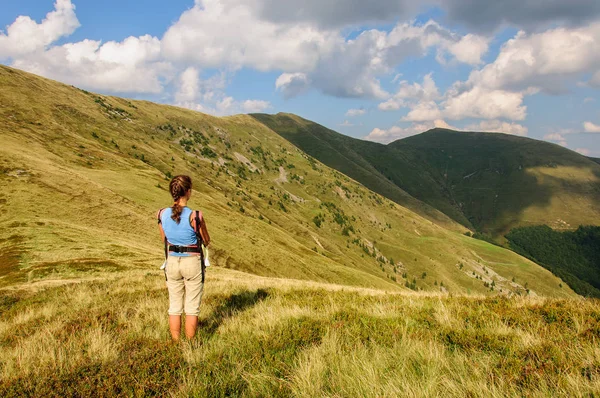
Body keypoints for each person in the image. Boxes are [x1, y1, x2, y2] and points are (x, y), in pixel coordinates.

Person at [157, 175, 210, 341]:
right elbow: (206, 240)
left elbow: (164, 239)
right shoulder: (195, 216)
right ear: (188, 192)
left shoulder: (161, 214)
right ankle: (190, 345)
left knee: (174, 306)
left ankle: (175, 342)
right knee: (192, 308)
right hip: (192, 261)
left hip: (172, 261)